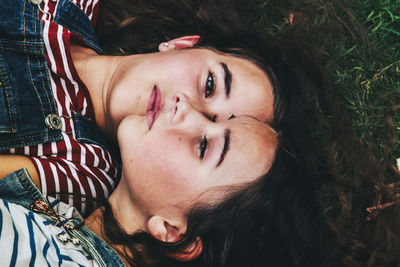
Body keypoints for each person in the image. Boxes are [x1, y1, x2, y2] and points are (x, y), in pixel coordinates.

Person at [0, 0, 326, 266]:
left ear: (172, 230)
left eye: (203, 146)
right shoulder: (71, 7)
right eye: (210, 84)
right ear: (182, 45)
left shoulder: (83, 170)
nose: (183, 107)